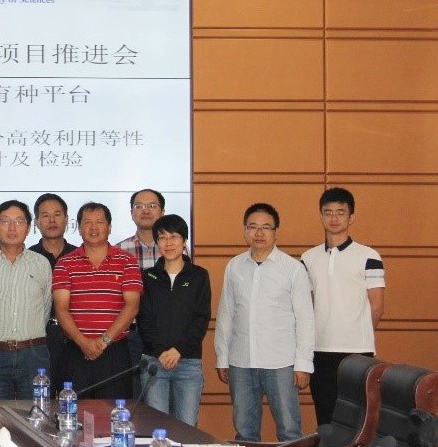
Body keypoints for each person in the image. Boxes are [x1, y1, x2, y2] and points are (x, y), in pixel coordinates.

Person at [215, 203, 314, 442]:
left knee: (289, 431)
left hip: (281, 363)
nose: (259, 233)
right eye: (253, 227)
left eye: (266, 227)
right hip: (241, 361)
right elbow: (226, 314)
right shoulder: (234, 266)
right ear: (245, 231)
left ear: (275, 232)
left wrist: (303, 363)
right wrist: (222, 357)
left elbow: (305, 319)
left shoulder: (293, 269)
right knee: (245, 432)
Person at [301, 187, 385, 426]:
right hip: (319, 351)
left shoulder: (369, 256)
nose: (334, 218)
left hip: (357, 353)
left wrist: (358, 336)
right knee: (326, 421)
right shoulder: (308, 258)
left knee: (357, 421)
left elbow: (377, 307)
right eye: (328, 212)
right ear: (321, 216)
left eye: (340, 212)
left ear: (351, 217)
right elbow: (306, 306)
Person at [53, 202, 143, 399]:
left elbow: (132, 306)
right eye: (87, 222)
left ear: (109, 227)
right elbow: (61, 308)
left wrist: (104, 341)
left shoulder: (127, 261)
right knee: (74, 411)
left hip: (114, 352)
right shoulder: (65, 263)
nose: (93, 227)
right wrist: (83, 342)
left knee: (115, 411)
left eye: (99, 222)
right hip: (76, 351)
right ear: (79, 228)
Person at [0, 200, 51, 400]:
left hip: (33, 354)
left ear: (28, 228)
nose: (12, 228)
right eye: (5, 221)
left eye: (19, 221)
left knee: (36, 413)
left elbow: (45, 308)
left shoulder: (41, 264)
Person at [137, 214, 210, 426]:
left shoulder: (199, 276)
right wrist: (161, 351)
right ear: (157, 243)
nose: (168, 243)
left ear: (184, 240)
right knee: (157, 427)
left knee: (187, 427)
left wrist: (178, 350)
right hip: (154, 361)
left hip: (188, 362)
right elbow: (144, 319)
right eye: (162, 238)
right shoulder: (148, 277)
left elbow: (201, 319)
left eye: (174, 237)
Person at [115, 188, 165, 390]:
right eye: (139, 206)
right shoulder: (119, 250)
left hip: (165, 332)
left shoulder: (175, 248)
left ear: (162, 212)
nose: (145, 211)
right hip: (131, 334)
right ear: (131, 212)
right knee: (134, 394)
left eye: (152, 206)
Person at [28, 193, 77, 386]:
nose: (52, 220)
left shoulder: (79, 255)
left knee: (74, 394)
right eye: (45, 215)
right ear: (37, 222)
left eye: (57, 214)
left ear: (66, 219)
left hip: (75, 340)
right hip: (39, 339)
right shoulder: (28, 257)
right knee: (41, 394)